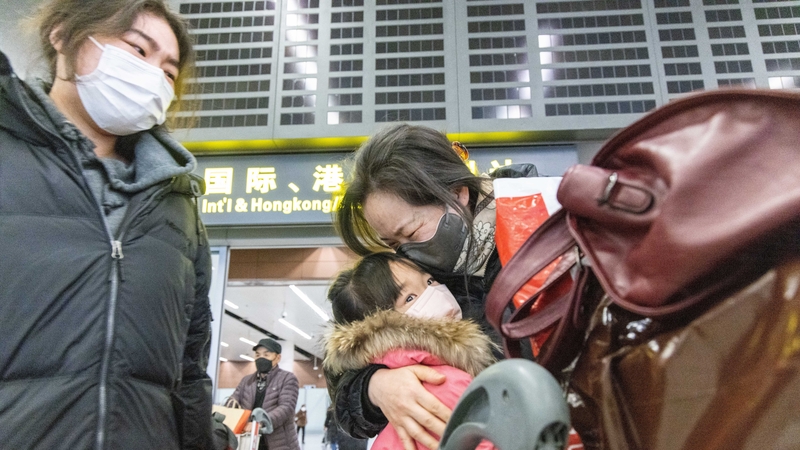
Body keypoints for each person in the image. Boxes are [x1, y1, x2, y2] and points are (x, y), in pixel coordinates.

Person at [0, 0, 212, 448]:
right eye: (138, 49)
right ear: (62, 35)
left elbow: (189, 368)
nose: (153, 75)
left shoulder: (178, 203)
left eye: (169, 72)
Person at [332, 123, 538, 449]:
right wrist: (376, 386)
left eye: (411, 233)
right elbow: (347, 368)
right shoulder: (413, 277)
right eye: (393, 243)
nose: (407, 251)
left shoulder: (547, 225)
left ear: (457, 194)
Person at [324, 252, 497, 450]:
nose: (435, 293)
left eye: (430, 280)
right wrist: (373, 385)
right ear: (381, 325)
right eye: (410, 298)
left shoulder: (437, 362)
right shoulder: (443, 380)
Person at [227, 338, 301, 450]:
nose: (261, 358)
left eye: (266, 355)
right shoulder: (246, 381)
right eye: (257, 355)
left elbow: (286, 408)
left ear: (277, 358)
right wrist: (230, 405)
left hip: (279, 443)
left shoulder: (288, 378)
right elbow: (234, 399)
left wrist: (260, 423)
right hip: (250, 441)